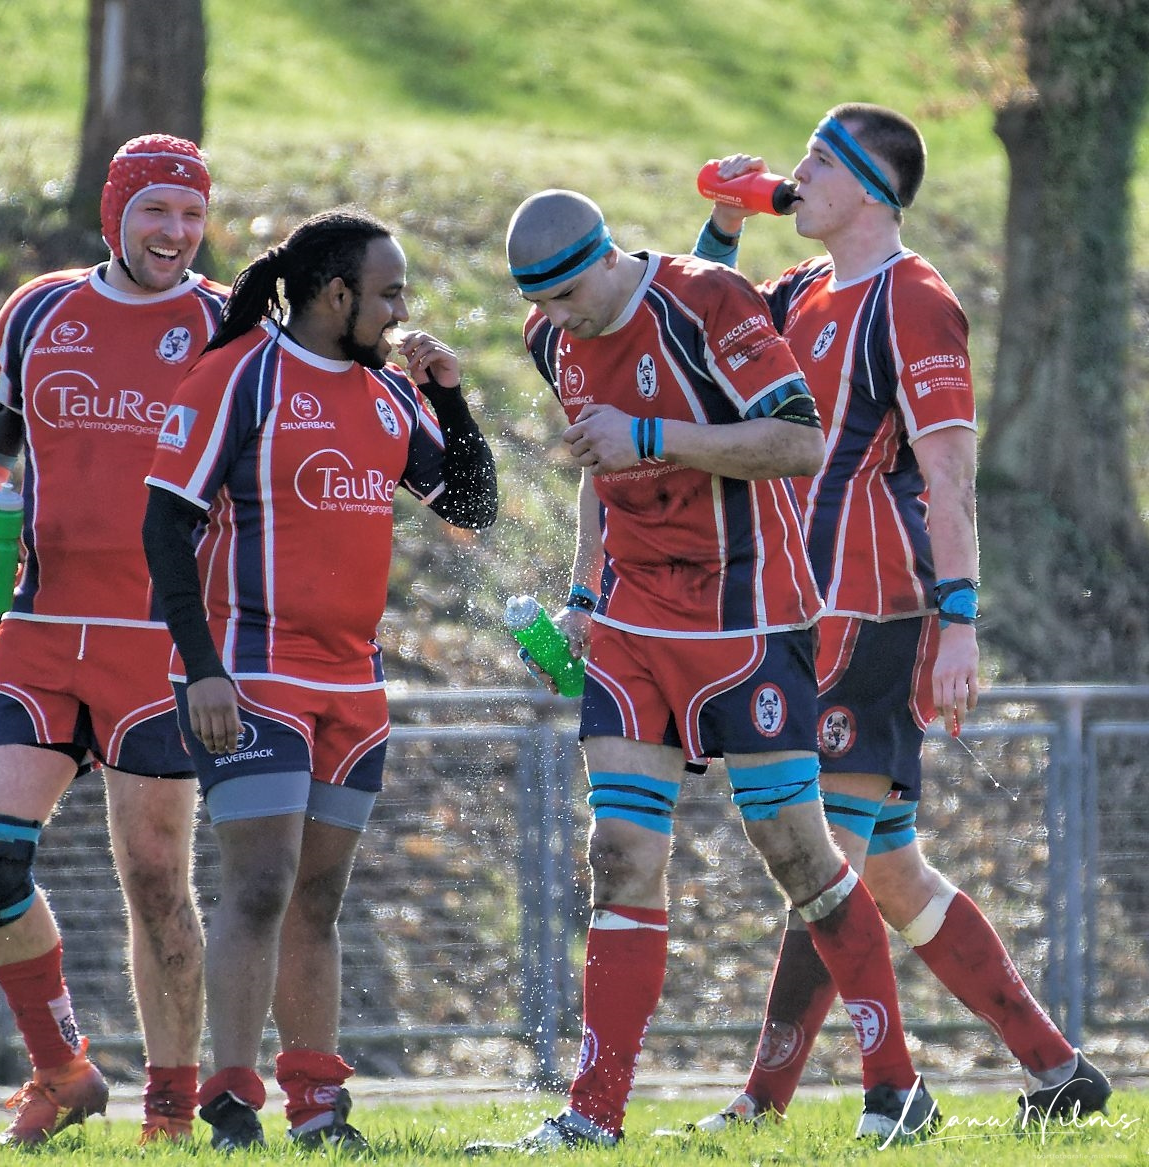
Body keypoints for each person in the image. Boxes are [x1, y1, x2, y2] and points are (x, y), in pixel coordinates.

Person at [468, 187, 938, 1154]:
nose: (557, 320)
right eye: (540, 305)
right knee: (618, 855)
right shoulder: (552, 336)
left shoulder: (707, 299)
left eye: (568, 297)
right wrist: (582, 596)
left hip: (747, 615)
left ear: (606, 258)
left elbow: (800, 441)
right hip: (631, 623)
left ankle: (896, 1086)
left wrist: (652, 437)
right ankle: (594, 1115)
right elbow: (600, 465)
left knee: (800, 856)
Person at [681, 102, 1112, 1132]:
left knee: (819, 858)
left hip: (876, 612)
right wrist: (724, 228)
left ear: (866, 187)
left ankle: (793, 1099)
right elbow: (705, 344)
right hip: (805, 610)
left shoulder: (913, 301)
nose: (795, 175)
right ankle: (1059, 1073)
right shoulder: (802, 288)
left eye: (813, 162)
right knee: (886, 871)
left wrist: (959, 622)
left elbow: (951, 476)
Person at [141, 206, 498, 1151]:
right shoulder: (240, 375)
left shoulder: (388, 395)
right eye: (389, 294)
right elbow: (164, 526)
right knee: (261, 883)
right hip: (249, 674)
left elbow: (472, 504)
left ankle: (318, 1108)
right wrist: (202, 668)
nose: (402, 311)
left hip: (355, 686)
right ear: (336, 294)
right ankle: (230, 1101)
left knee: (319, 898)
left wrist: (451, 397)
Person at [0, 134, 227, 1147]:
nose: (175, 232)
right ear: (115, 214)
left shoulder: (228, 324)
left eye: (191, 214)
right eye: (156, 211)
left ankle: (171, 1114)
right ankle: (62, 1072)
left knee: (156, 883)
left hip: (159, 643)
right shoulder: (36, 311)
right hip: (36, 631)